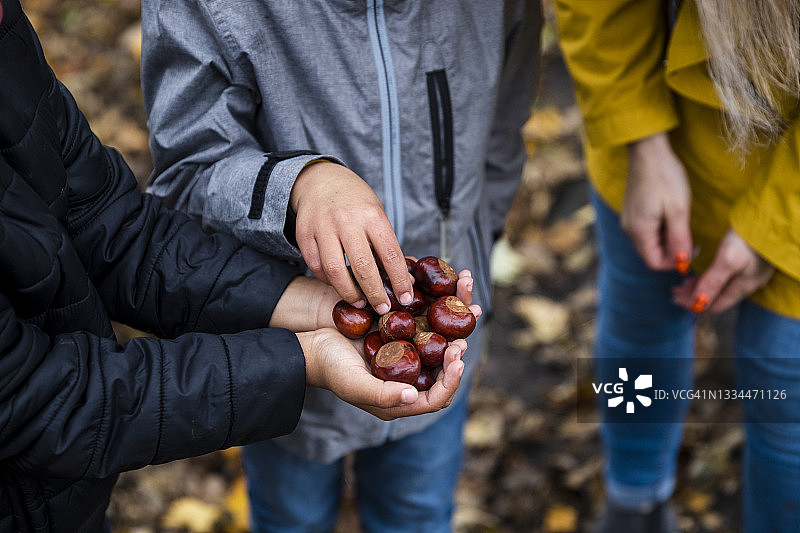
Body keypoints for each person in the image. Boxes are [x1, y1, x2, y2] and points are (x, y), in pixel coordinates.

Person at [0, 1, 472, 530]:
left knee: (417, 505)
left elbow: (115, 228)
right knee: (290, 509)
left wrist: (304, 304)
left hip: (62, 508)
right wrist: (302, 360)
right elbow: (37, 402)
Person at [141, 1, 542, 530]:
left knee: (417, 510)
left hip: (436, 364)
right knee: (291, 513)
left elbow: (502, 124)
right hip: (287, 342)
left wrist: (481, 241)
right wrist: (300, 184)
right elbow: (186, 175)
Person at [554, 0, 800, 531]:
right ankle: (632, 502)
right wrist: (641, 138)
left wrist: (780, 224)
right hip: (657, 110)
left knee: (786, 389)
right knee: (640, 312)